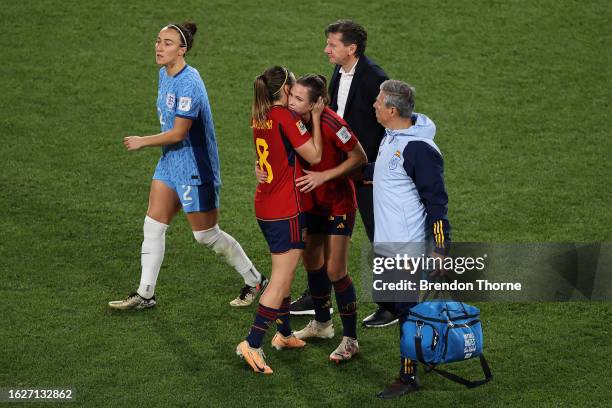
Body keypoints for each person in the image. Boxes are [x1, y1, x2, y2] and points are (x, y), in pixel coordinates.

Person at [108, 22, 266, 310]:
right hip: (171, 162)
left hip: (196, 166)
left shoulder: (190, 82)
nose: (159, 47)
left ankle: (255, 280)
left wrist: (143, 141)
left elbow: (180, 131)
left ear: (182, 50)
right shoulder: (163, 74)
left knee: (205, 235)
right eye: (158, 41)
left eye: (167, 43)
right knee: (153, 226)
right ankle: (145, 294)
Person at [290, 20, 398, 329]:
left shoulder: (375, 79)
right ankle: (318, 294)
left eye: (332, 45)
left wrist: (380, 168)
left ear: (351, 49)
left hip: (368, 172)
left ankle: (391, 305)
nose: (327, 49)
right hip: (339, 170)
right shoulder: (339, 71)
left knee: (381, 235)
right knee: (321, 231)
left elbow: (391, 126)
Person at [258, 75, 367, 362]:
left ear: (318, 103)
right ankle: (322, 324)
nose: (291, 103)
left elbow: (359, 157)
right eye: (291, 96)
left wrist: (324, 176)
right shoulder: (290, 122)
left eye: (299, 99)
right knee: (311, 262)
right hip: (309, 204)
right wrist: (261, 169)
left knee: (335, 270)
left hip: (338, 205)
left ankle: (350, 339)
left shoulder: (333, 125)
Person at [236, 66, 324, 375]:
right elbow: (313, 155)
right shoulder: (285, 117)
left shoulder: (259, 115)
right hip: (285, 209)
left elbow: (267, 158)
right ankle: (252, 343)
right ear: (285, 89)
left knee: (283, 271)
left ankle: (285, 333)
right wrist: (314, 116)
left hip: (265, 203)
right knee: (281, 279)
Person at [368, 80, 451, 398]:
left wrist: (440, 249)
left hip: (408, 246)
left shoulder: (419, 148)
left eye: (378, 101)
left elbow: (437, 204)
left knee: (407, 312)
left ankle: (408, 376)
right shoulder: (393, 136)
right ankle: (418, 362)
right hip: (390, 245)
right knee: (402, 309)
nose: (373, 105)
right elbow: (390, 175)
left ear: (392, 110)